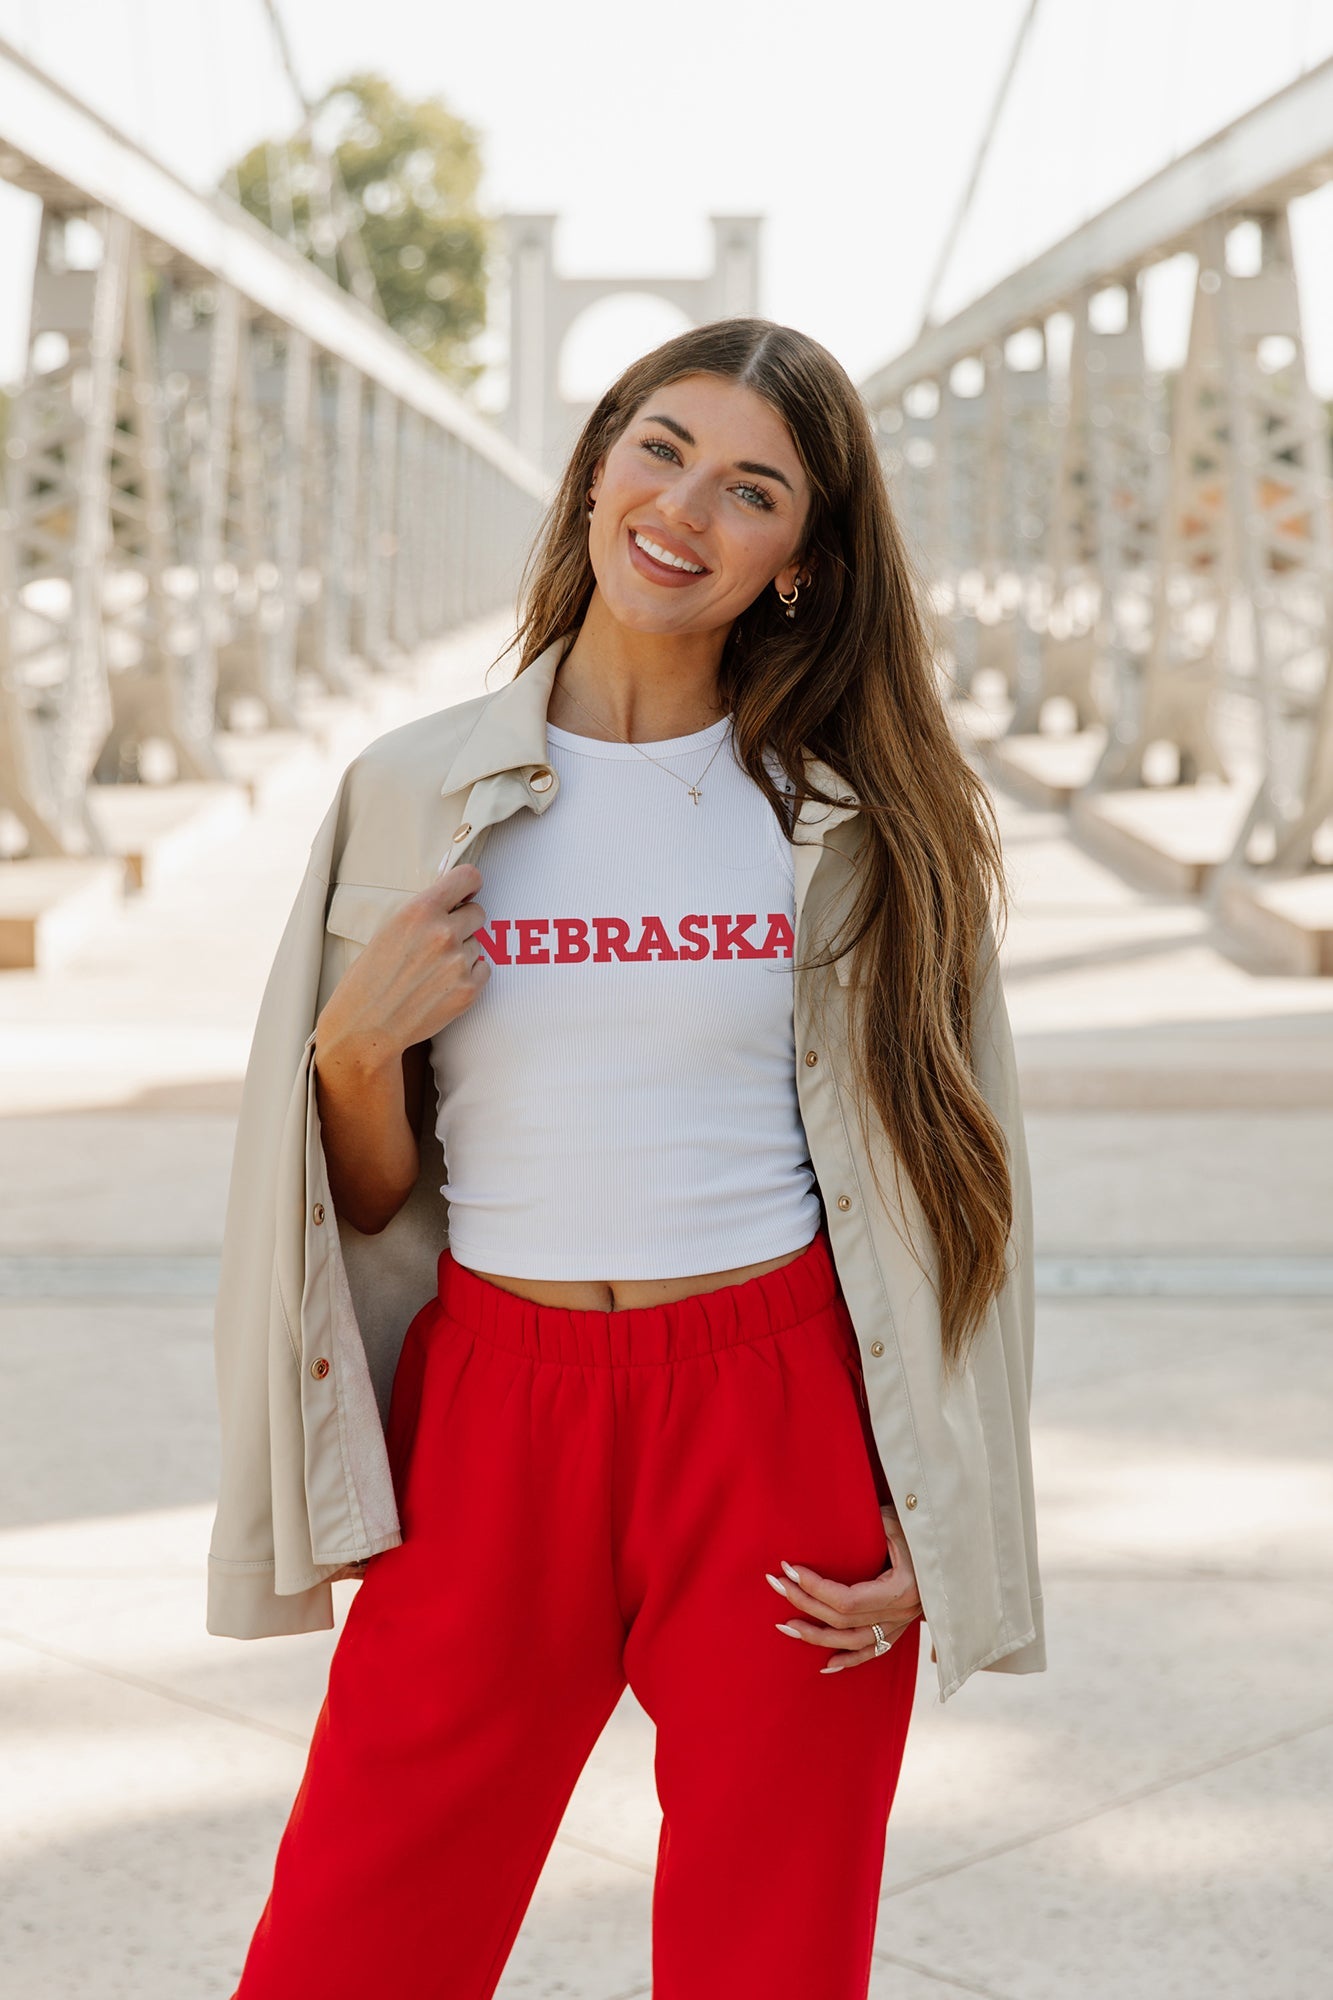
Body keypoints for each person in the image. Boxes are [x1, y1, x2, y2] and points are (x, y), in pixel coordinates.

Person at [210, 317, 1044, 2000]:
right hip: (491, 1421)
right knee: (348, 1946)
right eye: (659, 448)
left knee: (770, 1958)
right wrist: (355, 1047)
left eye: (752, 489)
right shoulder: (408, 790)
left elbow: (963, 1184)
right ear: (597, 461)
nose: (683, 507)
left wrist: (933, 1495)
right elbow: (360, 1200)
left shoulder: (859, 818)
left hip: (774, 1421)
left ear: (801, 561)